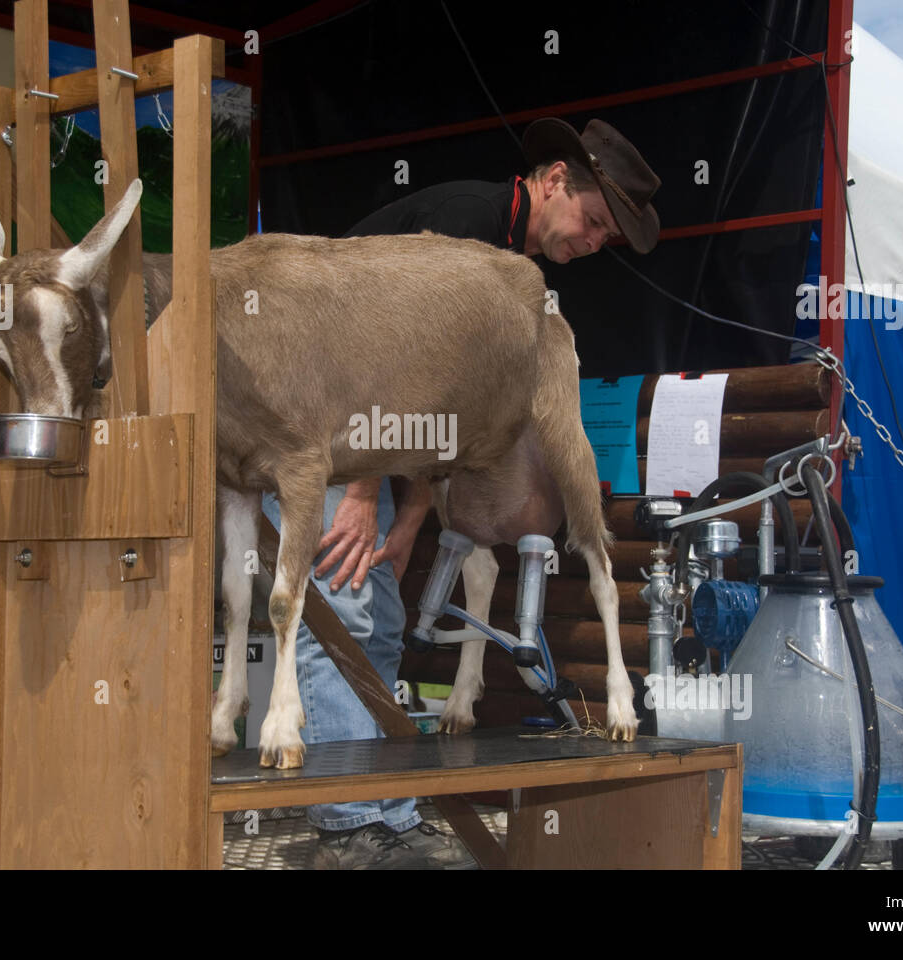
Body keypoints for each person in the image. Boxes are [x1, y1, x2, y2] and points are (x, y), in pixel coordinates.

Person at [261, 118, 661, 869]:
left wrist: (412, 516)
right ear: (551, 182)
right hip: (313, 424)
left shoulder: (508, 270)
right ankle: (348, 826)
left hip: (371, 441)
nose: (595, 240)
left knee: (374, 623)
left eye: (608, 235)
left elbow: (438, 414)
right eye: (595, 219)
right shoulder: (468, 224)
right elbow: (374, 354)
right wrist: (357, 490)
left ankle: (383, 809)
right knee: (340, 611)